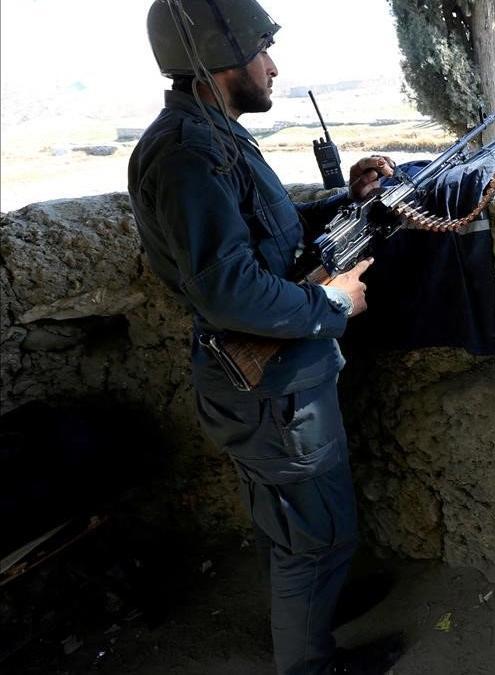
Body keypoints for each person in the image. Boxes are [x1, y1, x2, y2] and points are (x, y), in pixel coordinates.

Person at [127, 1, 401, 673]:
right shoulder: (189, 156)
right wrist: (332, 303)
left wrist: (346, 200)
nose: (272, 65)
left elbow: (265, 235)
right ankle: (308, 661)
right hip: (271, 389)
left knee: (292, 526)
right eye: (260, 50)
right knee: (318, 534)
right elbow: (231, 290)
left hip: (263, 385)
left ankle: (317, 605)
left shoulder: (208, 135)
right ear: (218, 60)